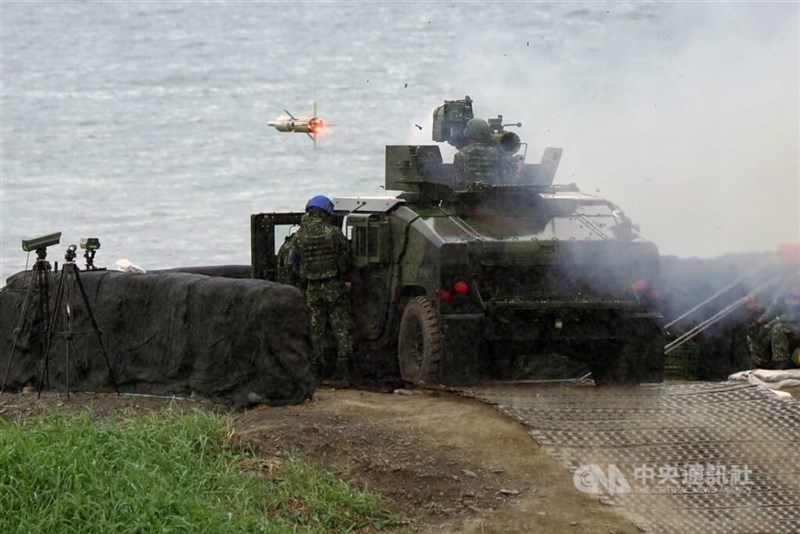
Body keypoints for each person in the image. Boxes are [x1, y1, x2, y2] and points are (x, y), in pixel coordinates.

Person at [290, 195, 354, 384]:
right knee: (341, 329)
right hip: (334, 286)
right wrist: (343, 277)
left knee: (315, 330)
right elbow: (346, 258)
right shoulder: (333, 233)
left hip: (313, 289)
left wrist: (304, 278)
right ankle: (344, 372)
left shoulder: (299, 236)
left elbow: (292, 262)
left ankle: (316, 372)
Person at [452, 118, 504, 189]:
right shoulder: (496, 154)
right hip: (492, 196)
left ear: (469, 134)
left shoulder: (461, 155)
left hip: (468, 197)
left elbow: (459, 183)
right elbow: (501, 179)